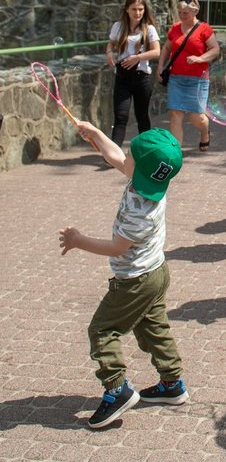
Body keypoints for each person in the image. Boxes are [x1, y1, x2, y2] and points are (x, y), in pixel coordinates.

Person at [59, 124, 188, 429]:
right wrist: (95, 134)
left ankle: (117, 390)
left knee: (102, 330)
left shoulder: (139, 211)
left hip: (134, 281)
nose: (124, 158)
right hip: (156, 272)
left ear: (139, 168)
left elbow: (117, 247)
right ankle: (172, 385)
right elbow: (116, 157)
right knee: (153, 329)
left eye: (131, 156)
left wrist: (79, 241)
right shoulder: (152, 181)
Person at [156, 0, 219, 151]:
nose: (182, 15)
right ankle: (175, 151)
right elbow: (167, 48)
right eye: (180, 12)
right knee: (175, 114)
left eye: (186, 12)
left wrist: (200, 58)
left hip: (198, 79)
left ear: (195, 11)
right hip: (176, 78)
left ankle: (205, 133)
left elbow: (215, 50)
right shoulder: (175, 28)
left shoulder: (204, 29)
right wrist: (160, 66)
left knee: (196, 116)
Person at [106, 0, 161, 146]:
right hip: (123, 78)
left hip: (141, 78)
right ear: (127, 10)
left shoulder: (149, 29)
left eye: (140, 9)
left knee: (142, 116)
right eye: (134, 9)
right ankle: (114, 152)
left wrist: (137, 57)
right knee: (121, 116)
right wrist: (109, 53)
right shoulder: (118, 26)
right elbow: (111, 43)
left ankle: (146, 150)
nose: (137, 13)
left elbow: (157, 51)